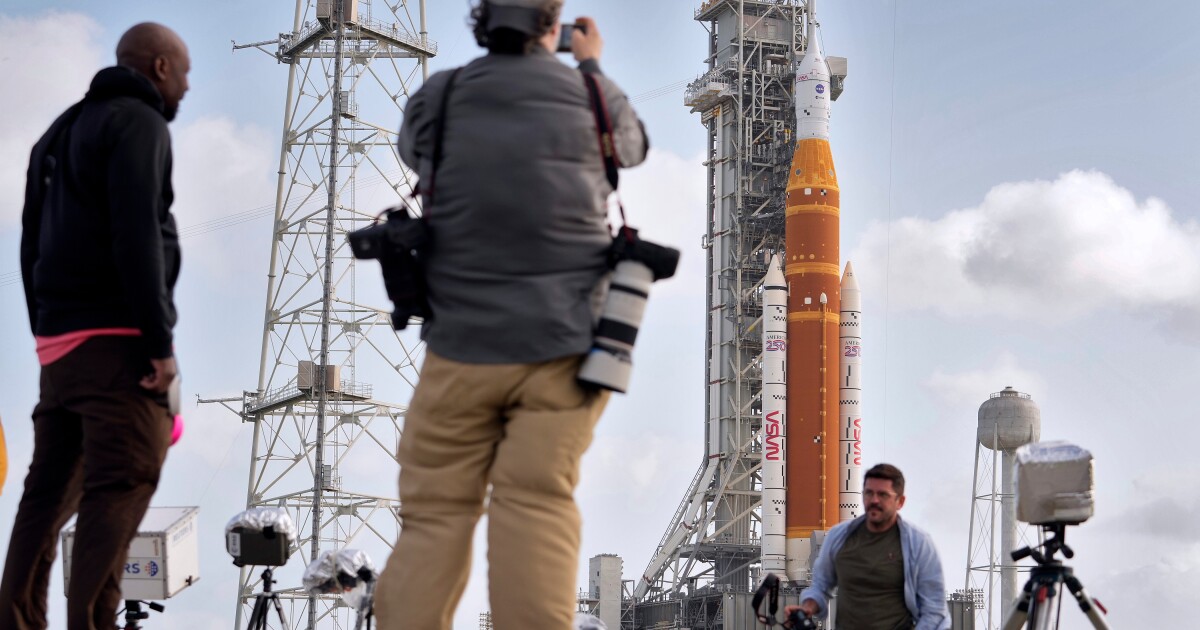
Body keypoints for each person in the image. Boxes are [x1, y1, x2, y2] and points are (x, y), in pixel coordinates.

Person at [372, 1, 648, 628]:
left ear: (481, 23)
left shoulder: (440, 99)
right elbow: (630, 149)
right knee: (538, 502)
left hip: (459, 347)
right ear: (552, 26)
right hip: (566, 346)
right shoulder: (593, 99)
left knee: (436, 513)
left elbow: (415, 154)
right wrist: (591, 64)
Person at [0, 22, 189, 630]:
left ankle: (17, 618)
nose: (186, 86)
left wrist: (44, 337)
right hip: (118, 345)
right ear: (159, 67)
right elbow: (137, 235)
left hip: (61, 349)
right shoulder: (139, 123)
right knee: (124, 480)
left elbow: (28, 248)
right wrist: (159, 345)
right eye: (184, 73)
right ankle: (93, 622)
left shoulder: (57, 132)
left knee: (47, 497)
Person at [794, 464, 951, 630]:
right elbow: (820, 585)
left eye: (883, 495)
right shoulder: (838, 537)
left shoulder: (919, 544)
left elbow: (934, 611)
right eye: (869, 493)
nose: (874, 500)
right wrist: (806, 609)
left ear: (900, 502)